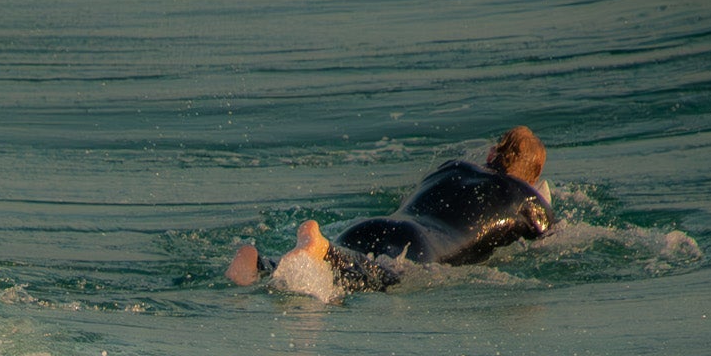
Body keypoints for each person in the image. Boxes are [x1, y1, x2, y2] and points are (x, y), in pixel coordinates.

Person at [226, 127, 554, 293]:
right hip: (418, 247)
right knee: (370, 281)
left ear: (490, 155)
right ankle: (320, 249)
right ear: (534, 178)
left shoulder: (453, 167)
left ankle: (260, 262)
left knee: (334, 269)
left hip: (378, 225)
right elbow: (552, 242)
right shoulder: (526, 199)